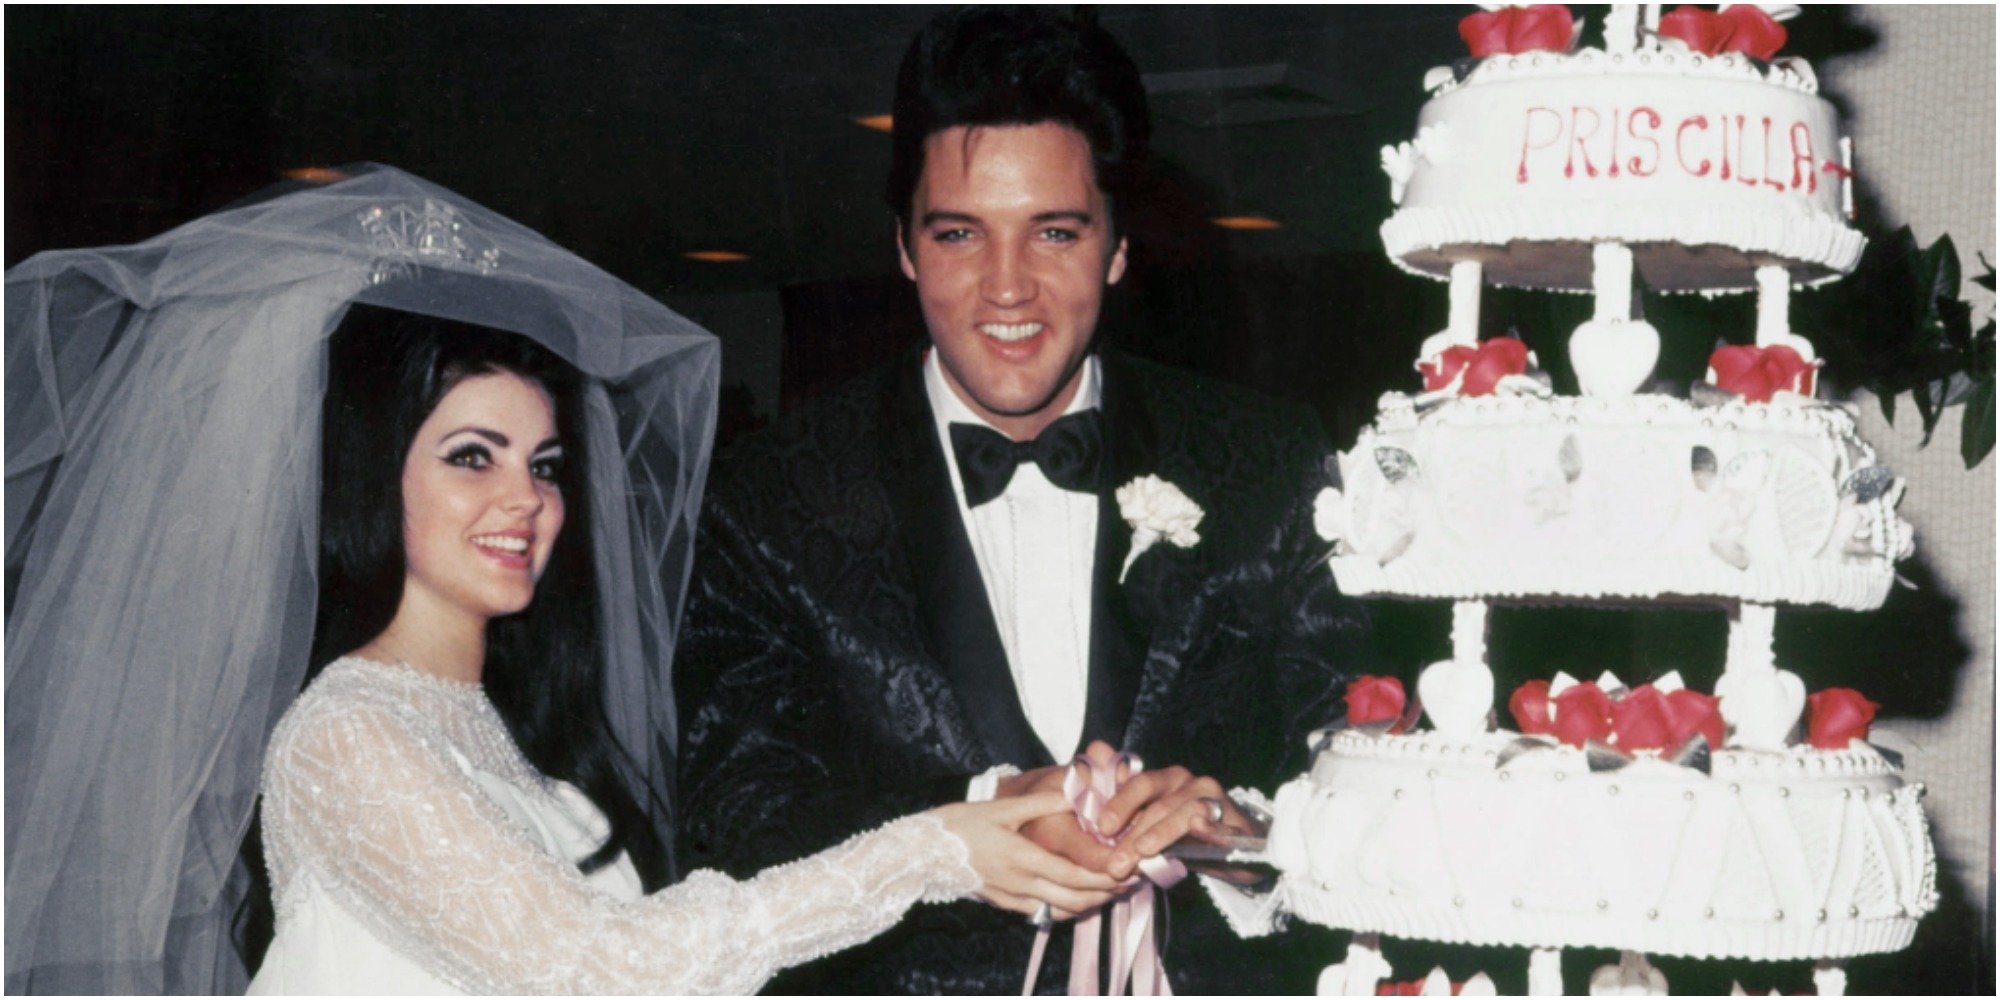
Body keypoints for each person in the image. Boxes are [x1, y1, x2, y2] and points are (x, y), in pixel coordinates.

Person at [0, 165, 1079, 993]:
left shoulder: (507, 725)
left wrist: (983, 807)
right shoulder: (342, 736)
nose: (525, 501)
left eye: (545, 465)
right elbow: (601, 972)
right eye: (472, 455)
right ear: (380, 475)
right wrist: (927, 852)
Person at [674, 8, 1370, 993]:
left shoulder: (1266, 463)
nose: (1007, 290)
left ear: (1118, 247)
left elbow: (1366, 771)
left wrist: (1240, 833)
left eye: (1053, 231)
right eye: (959, 234)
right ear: (907, 248)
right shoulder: (769, 494)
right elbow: (730, 815)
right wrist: (967, 818)